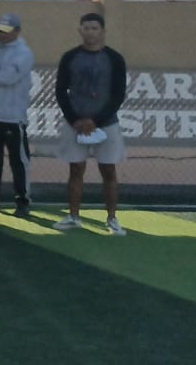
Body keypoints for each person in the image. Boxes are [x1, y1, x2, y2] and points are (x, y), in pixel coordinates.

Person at [54, 12, 129, 235]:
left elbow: (118, 94)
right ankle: (73, 216)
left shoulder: (115, 58)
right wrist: (75, 119)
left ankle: (112, 219)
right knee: (76, 169)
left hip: (107, 124)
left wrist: (95, 121)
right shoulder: (69, 57)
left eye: (94, 28)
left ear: (103, 31)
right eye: (86, 28)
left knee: (108, 170)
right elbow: (61, 91)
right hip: (74, 123)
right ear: (80, 31)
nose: (90, 33)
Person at [0, 13, 36, 216]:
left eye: (6, 31)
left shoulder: (24, 52)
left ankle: (22, 200)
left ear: (17, 31)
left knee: (18, 161)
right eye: (0, 30)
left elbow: (9, 77)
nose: (1, 34)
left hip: (13, 117)